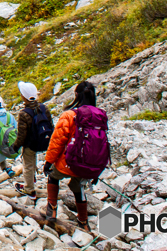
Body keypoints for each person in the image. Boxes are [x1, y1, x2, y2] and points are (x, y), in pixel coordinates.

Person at [43, 80, 108, 231]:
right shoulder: (100, 115)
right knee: (78, 185)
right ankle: (83, 222)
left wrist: (48, 162)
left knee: (53, 176)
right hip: (91, 164)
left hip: (71, 162)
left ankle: (52, 208)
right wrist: (98, 168)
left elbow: (57, 141)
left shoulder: (70, 115)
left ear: (76, 95)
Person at [11, 81, 52, 199]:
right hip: (45, 141)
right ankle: (36, 178)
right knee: (33, 160)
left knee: (28, 163)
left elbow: (22, 135)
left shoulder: (24, 113)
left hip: (31, 144)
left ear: (23, 96)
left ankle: (29, 189)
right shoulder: (44, 108)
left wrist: (15, 146)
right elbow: (51, 125)